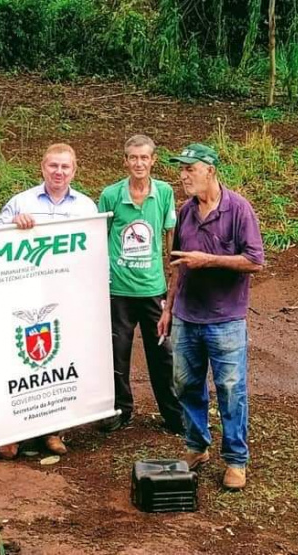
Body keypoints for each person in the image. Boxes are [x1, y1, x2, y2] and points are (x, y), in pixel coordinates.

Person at [159, 143, 264, 490]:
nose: (183, 175)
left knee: (231, 390)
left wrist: (210, 260)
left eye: (190, 169)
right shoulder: (185, 212)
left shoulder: (239, 210)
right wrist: (169, 308)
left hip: (225, 319)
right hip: (187, 316)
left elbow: (254, 261)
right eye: (181, 169)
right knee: (186, 385)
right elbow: (178, 265)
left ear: (211, 171)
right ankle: (196, 445)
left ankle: (236, 460)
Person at [0, 143, 98, 460]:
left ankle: (53, 431)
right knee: (20, 361)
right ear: (42, 166)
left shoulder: (86, 207)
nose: (59, 172)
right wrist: (13, 225)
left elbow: (93, 253)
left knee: (59, 361)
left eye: (65, 167)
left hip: (66, 296)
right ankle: (15, 432)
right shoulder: (21, 202)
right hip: (25, 294)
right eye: (53, 165)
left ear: (74, 169)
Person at [97, 135, 184, 436]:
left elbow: (170, 234)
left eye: (144, 158)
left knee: (162, 354)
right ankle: (120, 411)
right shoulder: (110, 195)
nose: (138, 163)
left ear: (153, 160)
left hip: (152, 290)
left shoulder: (163, 192)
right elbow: (99, 237)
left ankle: (173, 415)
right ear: (125, 160)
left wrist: (173, 275)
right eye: (133, 158)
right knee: (116, 352)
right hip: (118, 290)